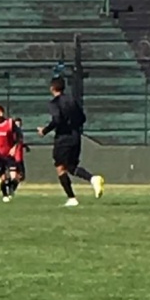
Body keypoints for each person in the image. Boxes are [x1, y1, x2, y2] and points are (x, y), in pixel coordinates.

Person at [36, 77, 104, 207]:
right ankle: (93, 179)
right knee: (71, 167)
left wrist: (44, 130)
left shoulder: (54, 103)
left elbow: (57, 119)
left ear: (52, 88)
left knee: (60, 167)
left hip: (63, 137)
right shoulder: (72, 100)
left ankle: (72, 198)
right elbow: (82, 118)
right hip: (75, 136)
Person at [0, 105, 22, 203]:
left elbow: (19, 137)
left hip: (9, 154)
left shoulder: (10, 123)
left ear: (0, 113)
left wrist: (14, 148)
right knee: (3, 177)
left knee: (15, 177)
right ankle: (5, 195)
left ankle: (11, 189)